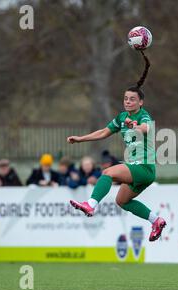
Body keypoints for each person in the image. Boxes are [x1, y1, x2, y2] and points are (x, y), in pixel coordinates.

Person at [67, 51, 166, 242]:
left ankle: (91, 204)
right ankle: (156, 220)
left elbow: (146, 128)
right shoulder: (122, 117)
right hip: (139, 170)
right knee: (121, 201)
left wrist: (135, 126)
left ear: (141, 102)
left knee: (107, 173)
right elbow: (104, 132)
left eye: (132, 99)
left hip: (143, 166)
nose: (128, 101)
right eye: (126, 99)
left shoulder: (143, 115)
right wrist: (81, 139)